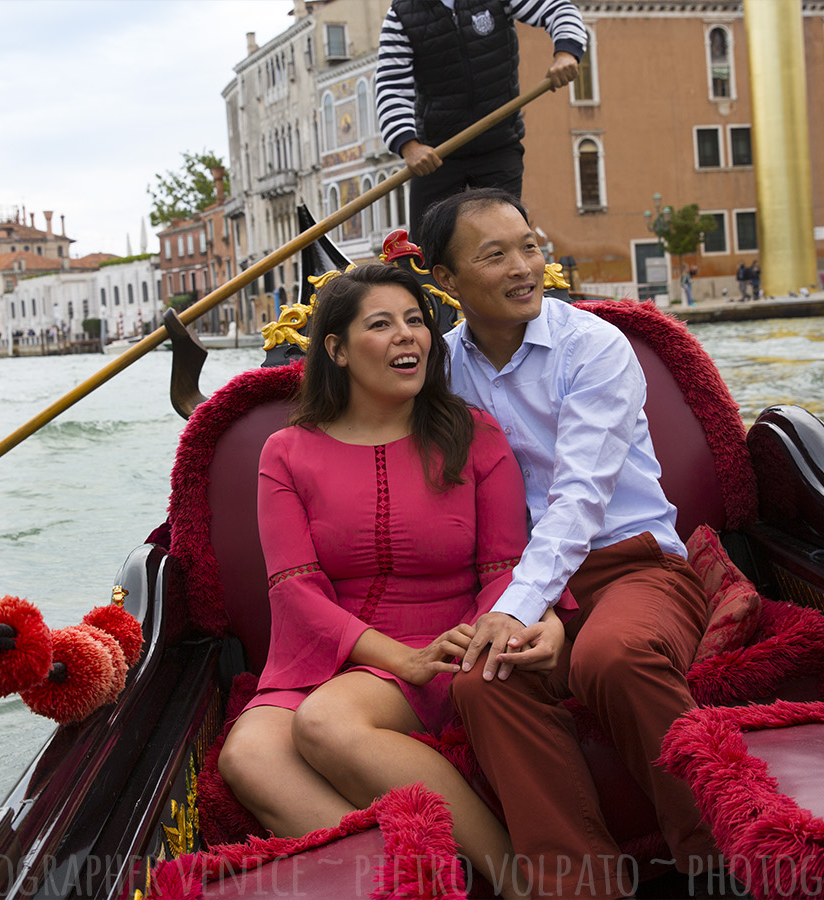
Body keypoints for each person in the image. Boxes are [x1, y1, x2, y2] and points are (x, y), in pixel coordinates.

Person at [217, 264, 563, 900]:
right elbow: (294, 588)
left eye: (415, 322)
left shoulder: (475, 436)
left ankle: (516, 878)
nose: (409, 337)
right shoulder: (286, 451)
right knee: (248, 756)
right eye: (381, 325)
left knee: (325, 725)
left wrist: (483, 635)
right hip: (322, 650)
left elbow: (503, 568)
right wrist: (397, 658)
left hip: (445, 641)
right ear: (338, 350)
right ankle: (422, 884)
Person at [422, 188, 715, 898]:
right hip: (527, 581)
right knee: (483, 684)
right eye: (496, 255)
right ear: (446, 282)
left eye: (530, 246)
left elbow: (581, 495)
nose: (526, 267)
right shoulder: (441, 371)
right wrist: (528, 607)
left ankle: (720, 861)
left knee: (614, 655)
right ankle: (580, 885)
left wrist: (523, 606)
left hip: (633, 566)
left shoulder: (593, 345)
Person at [376, 0, 587, 229]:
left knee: (506, 237)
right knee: (425, 251)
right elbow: (391, 86)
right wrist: (408, 145)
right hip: (436, 156)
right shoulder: (401, 13)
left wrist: (566, 53)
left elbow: (559, 10)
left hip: (499, 145)